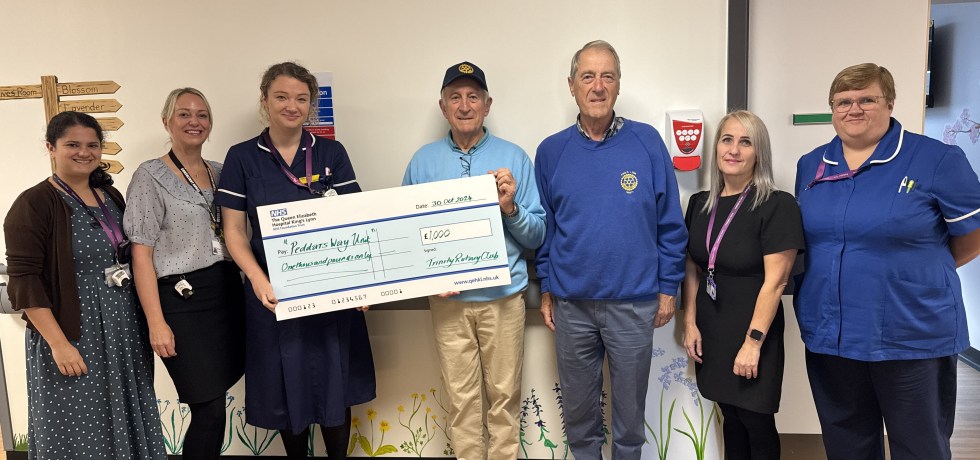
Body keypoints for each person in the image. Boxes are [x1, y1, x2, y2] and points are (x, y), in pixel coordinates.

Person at [794, 63, 980, 460]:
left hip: (911, 334)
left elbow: (972, 236)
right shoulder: (811, 164)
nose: (853, 109)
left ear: (890, 104)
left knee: (920, 446)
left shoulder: (937, 159)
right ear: (832, 109)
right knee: (847, 442)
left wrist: (919, 272)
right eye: (843, 101)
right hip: (833, 334)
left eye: (867, 99)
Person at [535, 40, 688, 460]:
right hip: (572, 306)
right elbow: (546, 228)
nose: (597, 86)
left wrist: (667, 287)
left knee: (629, 424)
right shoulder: (551, 151)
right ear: (572, 86)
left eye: (607, 76)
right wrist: (546, 287)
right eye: (588, 76)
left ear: (618, 85)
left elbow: (671, 224)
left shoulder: (647, 143)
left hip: (634, 305)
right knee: (581, 422)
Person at [215, 62, 376, 459]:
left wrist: (361, 281)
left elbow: (354, 221)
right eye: (282, 97)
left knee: (336, 384)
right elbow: (234, 231)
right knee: (287, 389)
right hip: (273, 292)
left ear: (311, 105)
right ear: (265, 100)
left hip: (331, 292)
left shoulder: (331, 153)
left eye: (301, 98)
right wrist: (255, 278)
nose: (292, 106)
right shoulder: (241, 158)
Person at [402, 61, 546, 460]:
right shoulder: (422, 162)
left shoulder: (513, 159)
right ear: (443, 106)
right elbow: (407, 239)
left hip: (504, 299)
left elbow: (538, 235)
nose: (465, 105)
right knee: (461, 401)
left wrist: (510, 208)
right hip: (448, 303)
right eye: (455, 97)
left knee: (505, 399)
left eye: (473, 97)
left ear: (487, 104)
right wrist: (426, 279)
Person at [3, 111, 167, 459]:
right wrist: (59, 344)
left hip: (123, 327)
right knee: (78, 423)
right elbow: (24, 282)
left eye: (92, 145)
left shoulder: (110, 195)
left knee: (124, 415)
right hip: (73, 331)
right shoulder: (34, 204)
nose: (84, 152)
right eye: (72, 144)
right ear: (51, 147)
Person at [124, 88, 245, 460]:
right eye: (184, 114)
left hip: (225, 293)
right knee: (205, 407)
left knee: (217, 402)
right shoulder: (150, 176)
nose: (195, 122)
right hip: (180, 299)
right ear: (167, 122)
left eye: (203, 115)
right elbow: (140, 254)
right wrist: (156, 322)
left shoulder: (223, 173)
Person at [682, 111, 803, 460]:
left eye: (745, 142)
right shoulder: (700, 204)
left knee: (755, 418)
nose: (734, 150)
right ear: (716, 147)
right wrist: (690, 322)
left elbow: (777, 280)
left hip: (753, 328)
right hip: (712, 326)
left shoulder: (777, 205)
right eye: (727, 139)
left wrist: (753, 342)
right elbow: (692, 266)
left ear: (758, 152)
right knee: (730, 416)